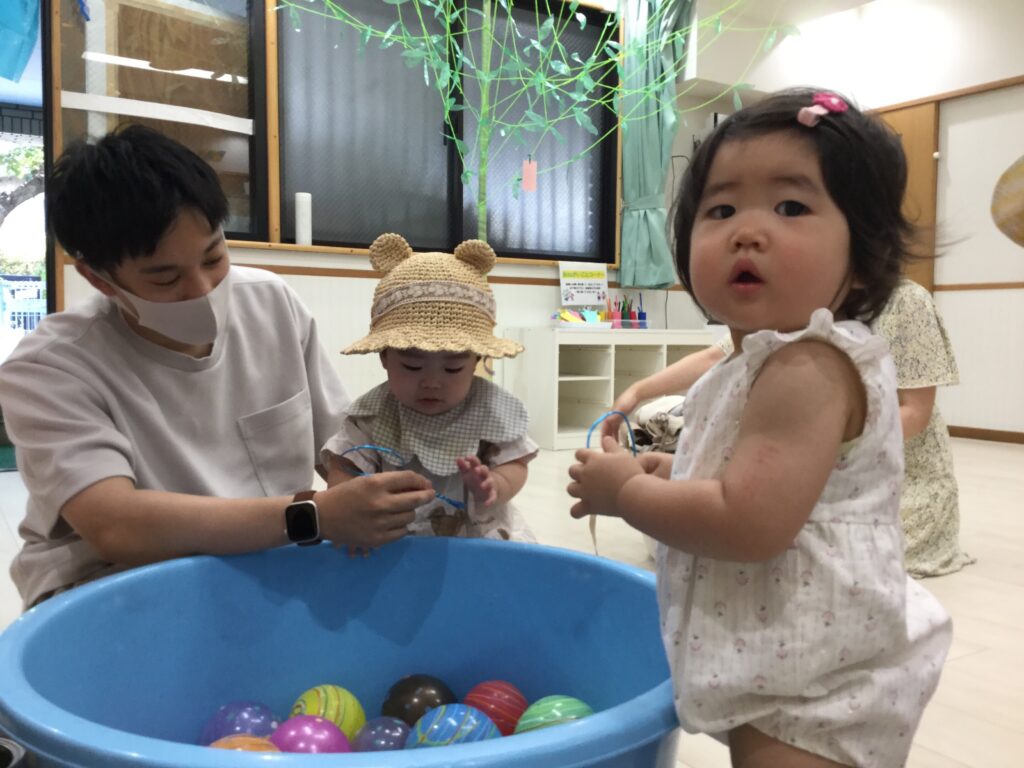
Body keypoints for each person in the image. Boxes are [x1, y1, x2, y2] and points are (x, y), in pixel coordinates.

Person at [567, 89, 952, 767]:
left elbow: (748, 522)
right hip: (787, 650)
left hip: (816, 684)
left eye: (791, 207)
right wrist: (676, 473)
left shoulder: (809, 366)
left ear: (865, 253)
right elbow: (765, 478)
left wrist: (626, 491)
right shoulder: (758, 358)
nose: (746, 231)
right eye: (721, 210)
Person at [0, 125, 436, 610]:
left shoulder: (270, 303)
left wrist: (364, 493)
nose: (202, 289)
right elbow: (115, 525)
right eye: (165, 278)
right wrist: (314, 516)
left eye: (213, 257)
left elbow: (339, 448)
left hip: (268, 556)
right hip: (115, 584)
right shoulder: (49, 369)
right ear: (99, 279)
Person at [605, 278, 975, 578]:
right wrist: (638, 391)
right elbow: (719, 354)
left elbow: (915, 413)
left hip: (889, 481)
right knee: (683, 531)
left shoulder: (906, 301)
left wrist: (807, 446)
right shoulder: (795, 293)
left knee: (780, 546)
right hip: (796, 456)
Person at [321, 233, 538, 542]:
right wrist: (350, 513)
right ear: (384, 357)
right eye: (412, 366)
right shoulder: (372, 415)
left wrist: (495, 484)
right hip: (394, 538)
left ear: (477, 359)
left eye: (453, 368)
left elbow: (515, 462)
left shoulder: (491, 408)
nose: (432, 383)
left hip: (479, 538)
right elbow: (344, 465)